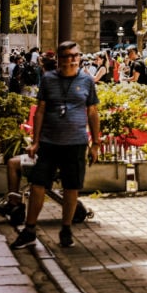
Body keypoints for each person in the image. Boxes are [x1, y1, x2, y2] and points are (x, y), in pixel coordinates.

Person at [11, 40, 100, 250]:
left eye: (75, 56)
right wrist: (35, 141)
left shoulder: (87, 81)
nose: (72, 60)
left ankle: (66, 229)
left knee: (71, 187)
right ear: (59, 59)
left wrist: (95, 143)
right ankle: (30, 229)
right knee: (38, 185)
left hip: (76, 143)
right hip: (49, 143)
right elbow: (40, 110)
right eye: (67, 56)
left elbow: (93, 112)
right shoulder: (49, 79)